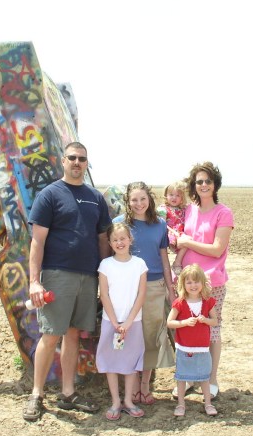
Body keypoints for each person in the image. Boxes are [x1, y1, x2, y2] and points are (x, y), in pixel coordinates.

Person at [23, 141, 112, 421]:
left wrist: (103, 279)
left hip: (88, 277)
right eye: (72, 157)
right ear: (63, 161)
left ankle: (68, 393)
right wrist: (35, 282)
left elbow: (102, 241)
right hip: (56, 276)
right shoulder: (50, 195)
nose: (77, 162)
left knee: (73, 335)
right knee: (50, 336)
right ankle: (36, 394)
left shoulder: (95, 198)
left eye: (82, 159)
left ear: (87, 164)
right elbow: (37, 242)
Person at [174, 161, 234, 400]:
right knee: (188, 328)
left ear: (215, 184)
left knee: (211, 329)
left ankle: (210, 379)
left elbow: (217, 249)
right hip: (186, 282)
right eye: (199, 181)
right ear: (194, 185)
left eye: (208, 180)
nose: (204, 185)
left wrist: (187, 242)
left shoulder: (224, 213)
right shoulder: (189, 210)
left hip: (212, 282)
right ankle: (189, 377)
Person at [113, 181, 175, 405]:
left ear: (149, 199)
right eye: (134, 200)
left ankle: (144, 385)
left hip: (154, 286)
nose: (139, 204)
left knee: (150, 338)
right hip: (125, 289)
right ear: (128, 202)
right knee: (128, 337)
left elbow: (164, 259)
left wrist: (170, 289)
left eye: (143, 199)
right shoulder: (119, 224)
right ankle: (129, 386)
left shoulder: (159, 225)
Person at [96, 222, 148, 420]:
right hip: (111, 322)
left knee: (130, 361)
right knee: (111, 360)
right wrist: (116, 322)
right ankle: (115, 401)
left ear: (130, 240)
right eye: (115, 239)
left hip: (133, 322)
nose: (119, 242)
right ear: (109, 243)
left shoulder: (139, 264)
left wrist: (128, 322)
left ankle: (128, 400)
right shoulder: (106, 265)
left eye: (123, 238)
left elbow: (141, 294)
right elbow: (104, 295)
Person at [167, 264, 218, 416]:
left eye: (196, 282)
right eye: (189, 282)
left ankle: (208, 403)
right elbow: (169, 322)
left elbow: (215, 321)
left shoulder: (208, 301)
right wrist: (183, 323)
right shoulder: (179, 303)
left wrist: (205, 320)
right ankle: (181, 404)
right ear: (183, 284)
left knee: (204, 376)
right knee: (182, 376)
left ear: (202, 283)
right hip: (184, 348)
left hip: (202, 348)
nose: (193, 285)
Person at [157, 181, 188, 276]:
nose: (174, 198)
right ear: (166, 195)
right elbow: (162, 224)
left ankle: (177, 262)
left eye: (178, 195)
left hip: (181, 232)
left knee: (188, 241)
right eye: (171, 195)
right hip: (169, 232)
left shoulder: (184, 209)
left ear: (182, 198)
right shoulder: (163, 209)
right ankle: (176, 263)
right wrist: (173, 231)